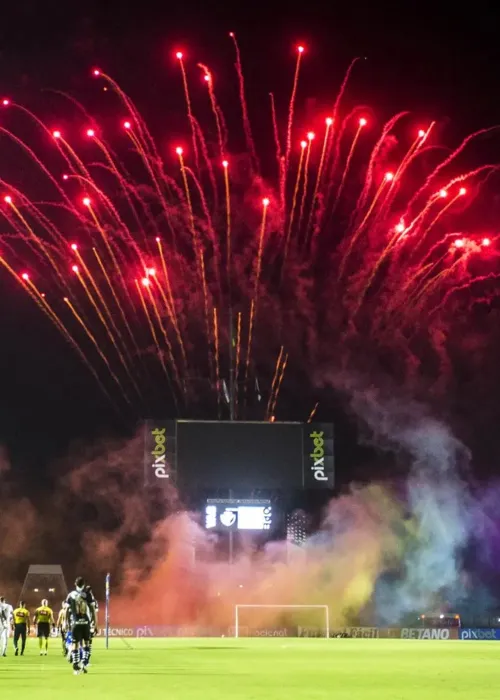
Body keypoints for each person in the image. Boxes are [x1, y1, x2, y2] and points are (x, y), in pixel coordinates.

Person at [66, 577, 96, 675]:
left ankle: (75, 666)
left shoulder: (71, 595)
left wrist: (66, 623)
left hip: (75, 623)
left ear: (75, 584)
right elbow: (93, 610)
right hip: (86, 623)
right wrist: (95, 623)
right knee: (86, 643)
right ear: (83, 584)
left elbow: (66, 610)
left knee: (75, 644)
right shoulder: (88, 595)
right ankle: (84, 662)